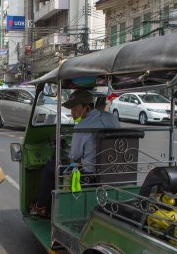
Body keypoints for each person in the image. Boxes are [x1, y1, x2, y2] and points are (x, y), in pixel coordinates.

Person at [32, 89, 120, 217]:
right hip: (116, 171)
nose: (72, 113)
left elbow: (74, 156)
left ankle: (40, 207)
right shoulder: (112, 118)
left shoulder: (82, 126)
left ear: (87, 108)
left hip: (88, 175)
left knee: (50, 168)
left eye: (74, 109)